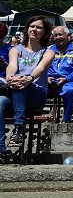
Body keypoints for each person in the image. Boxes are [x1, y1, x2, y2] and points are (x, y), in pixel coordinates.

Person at [0, 16, 55, 162]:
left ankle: (19, 128)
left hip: (36, 93)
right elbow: (12, 66)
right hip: (17, 90)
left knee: (22, 86)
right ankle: (1, 151)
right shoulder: (15, 49)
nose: (34, 30)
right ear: (27, 29)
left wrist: (29, 78)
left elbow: (40, 68)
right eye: (32, 26)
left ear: (44, 32)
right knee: (0, 102)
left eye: (38, 27)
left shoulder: (48, 52)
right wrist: (10, 76)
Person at [46, 25, 73, 122]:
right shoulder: (48, 50)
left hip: (68, 80)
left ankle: (66, 119)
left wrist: (66, 79)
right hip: (48, 80)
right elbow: (41, 67)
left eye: (60, 34)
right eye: (55, 35)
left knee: (71, 91)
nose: (58, 37)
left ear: (68, 36)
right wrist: (46, 76)